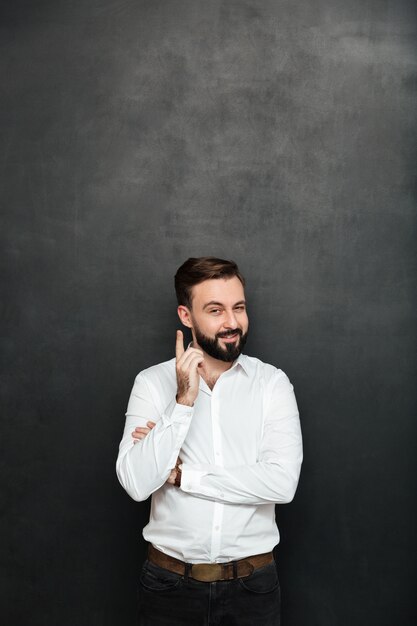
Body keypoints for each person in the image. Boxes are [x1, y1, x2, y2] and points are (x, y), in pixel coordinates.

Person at [116, 256, 303, 626]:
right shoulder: (152, 384)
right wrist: (182, 403)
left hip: (253, 590)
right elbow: (137, 483)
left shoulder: (272, 384)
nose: (232, 323)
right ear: (186, 316)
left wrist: (186, 476)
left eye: (239, 308)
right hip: (167, 588)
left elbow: (282, 482)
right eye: (215, 310)